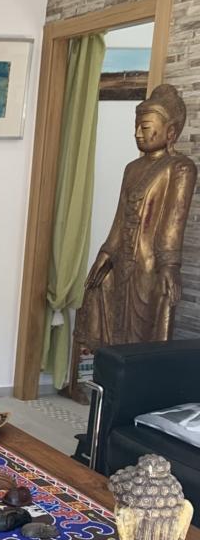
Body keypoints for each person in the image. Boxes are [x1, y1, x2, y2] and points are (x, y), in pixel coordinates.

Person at [77, 84, 197, 347]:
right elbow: (120, 216)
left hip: (150, 263)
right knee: (103, 297)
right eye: (136, 127)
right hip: (123, 256)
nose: (137, 134)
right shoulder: (132, 168)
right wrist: (106, 253)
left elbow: (173, 223)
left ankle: (138, 370)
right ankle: (107, 366)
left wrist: (170, 265)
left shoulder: (180, 168)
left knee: (144, 332)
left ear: (170, 132)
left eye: (145, 127)